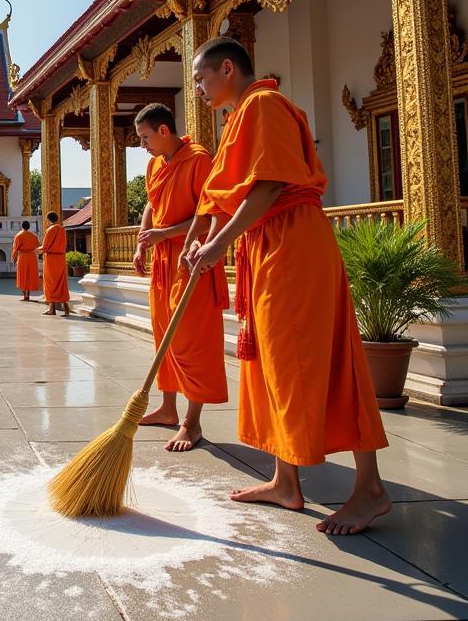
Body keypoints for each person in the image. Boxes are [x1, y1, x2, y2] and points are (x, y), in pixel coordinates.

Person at [184, 37, 389, 535]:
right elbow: (228, 196)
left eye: (200, 79)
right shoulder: (240, 119)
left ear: (227, 69)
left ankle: (370, 489)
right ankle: (286, 480)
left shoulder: (265, 105)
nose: (197, 90)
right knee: (277, 360)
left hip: (293, 242)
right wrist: (207, 242)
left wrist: (217, 248)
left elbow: (270, 186)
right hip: (267, 243)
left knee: (319, 357)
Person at [133, 103, 229, 452]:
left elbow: (208, 217)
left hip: (192, 257)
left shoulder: (199, 161)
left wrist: (165, 233)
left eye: (145, 138)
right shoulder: (155, 164)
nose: (143, 145)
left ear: (163, 131)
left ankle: (193, 421)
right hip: (162, 260)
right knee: (164, 334)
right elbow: (150, 204)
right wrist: (144, 242)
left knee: (192, 338)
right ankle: (169, 407)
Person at [40, 211, 70, 316]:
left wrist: (35, 249)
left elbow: (44, 247)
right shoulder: (62, 229)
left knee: (50, 283)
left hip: (51, 259)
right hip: (61, 258)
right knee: (61, 282)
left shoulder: (50, 230)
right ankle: (66, 308)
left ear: (48, 220)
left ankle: (51, 309)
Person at [11, 220, 40, 302]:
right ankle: (28, 295)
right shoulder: (34, 236)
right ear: (29, 227)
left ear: (22, 226)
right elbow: (37, 246)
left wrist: (13, 258)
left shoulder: (19, 235)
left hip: (23, 257)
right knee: (30, 276)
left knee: (23, 275)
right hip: (32, 257)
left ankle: (25, 296)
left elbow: (15, 248)